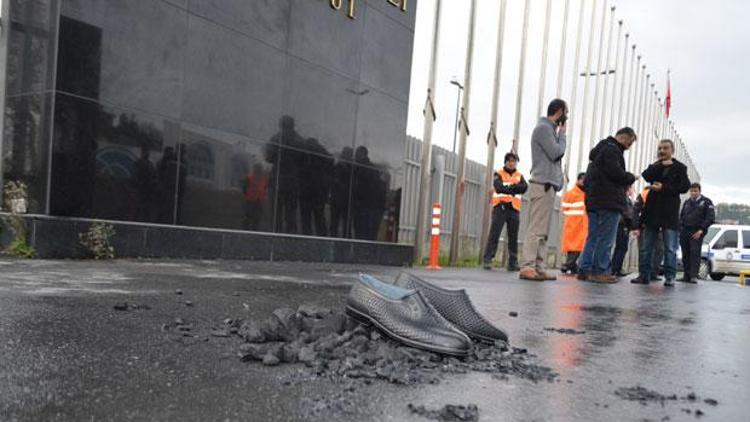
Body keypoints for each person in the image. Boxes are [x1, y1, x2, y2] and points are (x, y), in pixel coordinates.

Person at [577, 127, 638, 283]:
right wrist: (630, 177)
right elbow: (615, 173)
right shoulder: (613, 151)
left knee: (593, 236)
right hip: (609, 201)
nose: (629, 147)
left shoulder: (598, 152)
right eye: (629, 143)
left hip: (593, 201)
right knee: (606, 238)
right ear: (624, 138)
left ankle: (585, 269)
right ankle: (600, 271)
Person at [519, 99, 568, 281]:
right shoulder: (543, 129)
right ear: (559, 111)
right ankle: (527, 266)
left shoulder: (549, 130)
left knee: (543, 230)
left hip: (549, 185)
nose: (566, 118)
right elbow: (556, 153)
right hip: (542, 184)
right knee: (535, 228)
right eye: (566, 113)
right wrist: (563, 135)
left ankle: (538, 266)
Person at [631, 139, 691, 286]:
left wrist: (663, 188)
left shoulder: (680, 168)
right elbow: (646, 175)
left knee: (670, 249)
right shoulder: (656, 166)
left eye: (665, 148)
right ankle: (643, 275)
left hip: (669, 214)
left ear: (672, 150)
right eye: (659, 148)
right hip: (652, 212)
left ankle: (670, 277)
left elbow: (684, 187)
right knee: (646, 248)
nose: (662, 151)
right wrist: (659, 163)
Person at [483, 152, 528, 271]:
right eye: (509, 161)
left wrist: (509, 189)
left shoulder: (519, 176)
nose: (512, 163)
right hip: (500, 207)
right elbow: (498, 187)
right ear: (505, 162)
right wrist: (513, 189)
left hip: (514, 208)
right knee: (494, 234)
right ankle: (487, 259)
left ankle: (513, 262)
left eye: (514, 161)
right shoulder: (498, 174)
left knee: (513, 237)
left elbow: (524, 188)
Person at [679, 183, 715, 283]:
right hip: (685, 231)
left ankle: (693, 276)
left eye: (695, 191)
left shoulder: (706, 202)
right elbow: (681, 216)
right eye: (691, 191)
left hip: (697, 231)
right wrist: (680, 227)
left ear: (699, 191)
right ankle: (686, 275)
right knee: (685, 254)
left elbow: (710, 218)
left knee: (694, 253)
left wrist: (701, 230)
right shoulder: (687, 202)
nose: (693, 193)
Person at [560, 173, 588, 274]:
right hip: (574, 223)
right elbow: (565, 207)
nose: (584, 182)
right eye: (582, 179)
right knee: (575, 246)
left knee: (576, 245)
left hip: (580, 224)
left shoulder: (585, 193)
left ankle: (571, 265)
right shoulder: (572, 193)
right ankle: (568, 265)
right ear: (578, 180)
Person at [610, 185, 635, 277]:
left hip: (621, 223)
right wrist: (632, 224)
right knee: (622, 247)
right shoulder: (625, 199)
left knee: (620, 247)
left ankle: (615, 268)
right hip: (623, 224)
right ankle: (616, 268)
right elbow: (628, 213)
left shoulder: (623, 198)